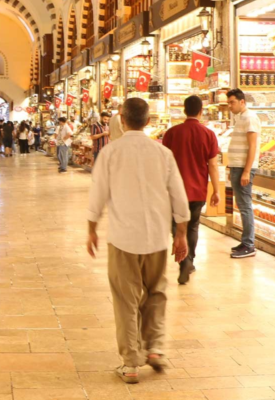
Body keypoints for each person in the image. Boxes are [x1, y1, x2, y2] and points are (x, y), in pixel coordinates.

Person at [86, 97, 190, 384]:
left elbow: (98, 193)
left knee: (125, 299)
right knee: (156, 292)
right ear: (148, 121)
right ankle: (155, 348)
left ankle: (131, 363)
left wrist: (91, 228)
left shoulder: (111, 152)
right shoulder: (162, 153)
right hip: (156, 236)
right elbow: (178, 195)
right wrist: (181, 233)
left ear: (121, 118)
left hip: (123, 238)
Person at [162, 95, 222, 284]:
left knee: (176, 225)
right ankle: (190, 260)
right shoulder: (208, 134)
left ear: (184, 110)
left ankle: (184, 262)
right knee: (193, 226)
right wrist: (216, 190)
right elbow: (212, 165)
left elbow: (165, 164)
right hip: (198, 189)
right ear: (201, 111)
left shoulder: (172, 133)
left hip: (175, 190)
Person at [227, 88, 261, 259]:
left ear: (242, 102)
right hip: (237, 166)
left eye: (232, 102)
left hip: (243, 168)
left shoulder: (249, 118)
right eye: (228, 103)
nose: (229, 106)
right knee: (241, 205)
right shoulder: (240, 118)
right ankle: (245, 240)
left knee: (245, 206)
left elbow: (252, 146)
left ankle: (249, 244)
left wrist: (246, 170)